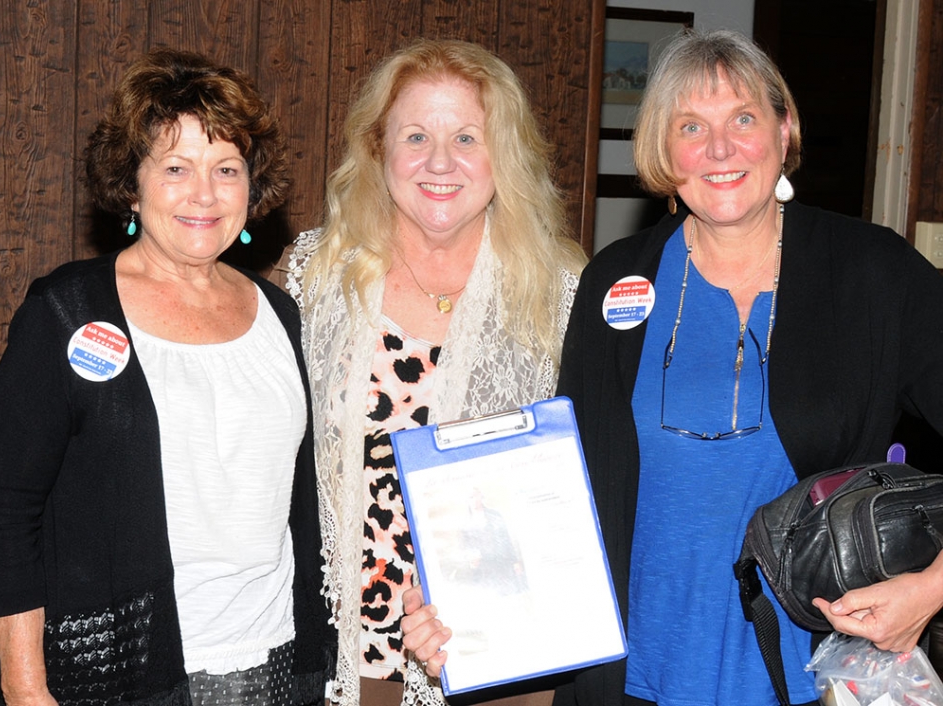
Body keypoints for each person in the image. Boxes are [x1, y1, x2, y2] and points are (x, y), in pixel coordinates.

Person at [403, 28, 943, 706]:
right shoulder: (614, 282)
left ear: (785, 129)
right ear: (664, 150)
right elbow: (561, 483)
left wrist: (929, 589)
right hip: (632, 676)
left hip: (809, 677)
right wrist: (464, 589)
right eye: (691, 126)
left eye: (743, 119)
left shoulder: (872, 273)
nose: (720, 149)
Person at [0, 48, 334, 706]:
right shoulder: (66, 314)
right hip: (117, 678)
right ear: (132, 186)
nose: (205, 193)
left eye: (227, 168)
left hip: (278, 664)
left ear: (252, 189)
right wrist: (26, 688)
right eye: (176, 167)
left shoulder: (282, 316)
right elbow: (3, 516)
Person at [272, 38, 586, 706]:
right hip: (341, 654)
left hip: (500, 660)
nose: (440, 162)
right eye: (416, 135)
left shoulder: (565, 294)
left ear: (505, 154)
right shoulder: (312, 278)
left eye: (468, 137)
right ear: (377, 147)